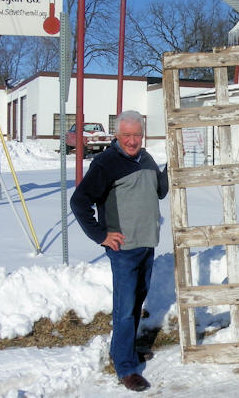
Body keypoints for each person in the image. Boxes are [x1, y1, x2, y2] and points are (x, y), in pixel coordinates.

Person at [70, 110, 168, 392]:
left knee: (135, 303)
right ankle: (125, 368)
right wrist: (101, 235)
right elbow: (79, 202)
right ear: (116, 135)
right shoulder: (106, 163)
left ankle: (124, 350)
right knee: (125, 309)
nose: (132, 141)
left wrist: (171, 169)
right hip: (123, 248)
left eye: (137, 135)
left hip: (146, 243)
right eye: (127, 135)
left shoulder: (146, 159)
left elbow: (160, 191)